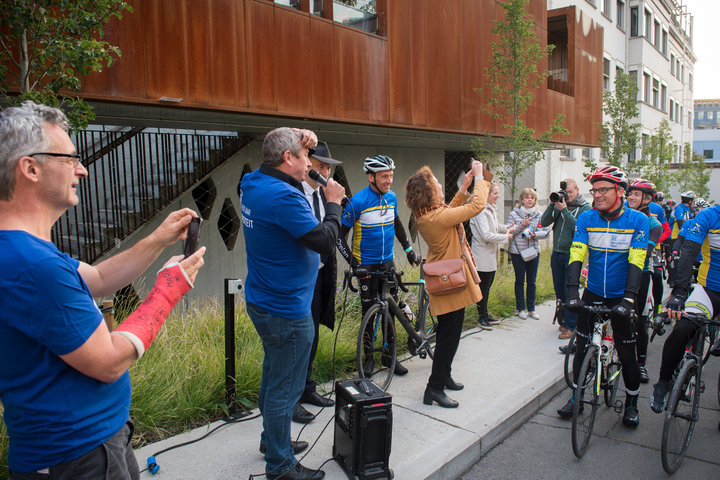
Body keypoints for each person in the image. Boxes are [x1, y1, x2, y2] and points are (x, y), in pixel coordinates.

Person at [0, 101, 206, 479]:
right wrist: (168, 290)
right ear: (30, 168)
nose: (82, 168)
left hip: (84, 446)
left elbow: (96, 278)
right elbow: (109, 361)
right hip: (79, 456)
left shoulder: (24, 250)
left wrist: (159, 239)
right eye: (69, 159)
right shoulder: (34, 266)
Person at [241, 127, 344, 480]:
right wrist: (332, 203)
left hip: (262, 298)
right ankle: (281, 466)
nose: (309, 165)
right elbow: (324, 242)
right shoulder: (284, 198)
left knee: (274, 377)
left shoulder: (254, 182)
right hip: (286, 308)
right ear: (287, 158)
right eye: (303, 158)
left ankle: (273, 442)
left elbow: (286, 161)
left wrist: (301, 138)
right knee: (286, 388)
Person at [557, 165, 648, 427]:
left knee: (627, 354)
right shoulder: (587, 218)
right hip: (594, 291)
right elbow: (576, 254)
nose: (596, 195)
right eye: (594, 190)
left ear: (620, 191)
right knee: (582, 347)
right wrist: (572, 292)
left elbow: (637, 262)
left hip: (622, 294)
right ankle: (576, 397)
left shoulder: (637, 221)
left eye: (603, 190)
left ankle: (631, 403)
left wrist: (629, 299)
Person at [405, 160, 489, 408]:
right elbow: (478, 205)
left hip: (446, 283)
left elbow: (449, 211)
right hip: (450, 284)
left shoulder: (428, 216)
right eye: (437, 184)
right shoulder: (437, 218)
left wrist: (463, 187)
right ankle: (434, 388)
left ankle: (445, 376)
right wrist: (480, 177)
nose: (440, 185)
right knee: (448, 338)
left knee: (448, 334)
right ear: (430, 192)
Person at [337, 154, 420, 376]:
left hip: (387, 263)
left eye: (391, 175)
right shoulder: (358, 202)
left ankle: (389, 355)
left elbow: (397, 223)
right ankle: (368, 358)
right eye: (384, 176)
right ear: (370, 177)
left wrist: (409, 250)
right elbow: (338, 237)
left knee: (391, 310)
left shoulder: (391, 197)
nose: (389, 180)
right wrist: (355, 265)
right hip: (367, 267)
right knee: (369, 313)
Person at [650, 204, 720, 415]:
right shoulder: (710, 216)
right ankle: (663, 382)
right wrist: (679, 293)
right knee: (682, 329)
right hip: (709, 290)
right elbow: (689, 252)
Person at [294, 142, 341, 424]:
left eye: (328, 167)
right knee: (301, 337)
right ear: (306, 164)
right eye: (320, 166)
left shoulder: (323, 196)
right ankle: (294, 397)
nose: (325, 171)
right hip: (302, 276)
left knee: (313, 335)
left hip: (321, 272)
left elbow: (333, 232)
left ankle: (307, 388)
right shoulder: (295, 194)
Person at [540, 178, 591, 339]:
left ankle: (571, 325)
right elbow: (544, 222)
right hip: (557, 253)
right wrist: (552, 204)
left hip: (573, 253)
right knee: (559, 291)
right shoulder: (560, 204)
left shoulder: (584, 208)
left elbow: (578, 229)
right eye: (565, 192)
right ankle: (563, 320)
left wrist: (564, 211)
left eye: (570, 192)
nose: (567, 196)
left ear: (577, 191)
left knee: (570, 290)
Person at [626, 179, 663, 384]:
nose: (631, 197)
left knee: (638, 317)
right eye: (630, 193)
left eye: (636, 194)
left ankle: (640, 364)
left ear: (647, 199)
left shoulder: (653, 224)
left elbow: (643, 253)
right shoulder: (622, 215)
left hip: (640, 272)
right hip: (617, 269)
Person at [469, 182, 515, 330]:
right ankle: (481, 317)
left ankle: (485, 314)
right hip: (482, 256)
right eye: (495, 193)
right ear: (486, 195)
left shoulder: (489, 209)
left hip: (489, 255)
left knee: (487, 287)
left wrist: (509, 227)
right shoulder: (480, 211)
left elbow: (495, 227)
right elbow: (486, 235)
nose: (498, 196)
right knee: (482, 288)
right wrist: (505, 238)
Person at [506, 188, 549, 320]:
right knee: (520, 280)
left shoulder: (539, 214)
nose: (530, 200)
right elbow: (510, 232)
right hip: (518, 252)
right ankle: (521, 308)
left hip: (533, 252)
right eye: (527, 197)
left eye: (532, 198)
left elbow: (546, 232)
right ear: (522, 200)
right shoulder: (514, 214)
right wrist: (522, 225)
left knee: (532, 281)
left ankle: (531, 309)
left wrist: (534, 235)